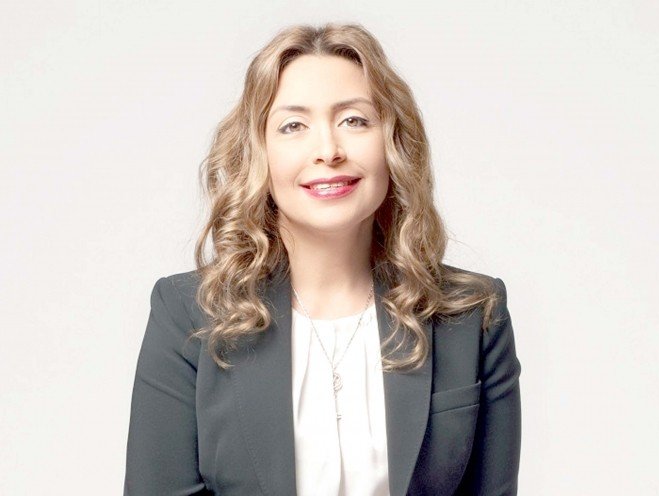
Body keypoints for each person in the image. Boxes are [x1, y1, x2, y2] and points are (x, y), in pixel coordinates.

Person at [124, 22, 521, 496]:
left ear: (393, 143)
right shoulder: (189, 312)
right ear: (258, 152)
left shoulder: (472, 314)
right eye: (293, 126)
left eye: (354, 120)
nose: (328, 150)